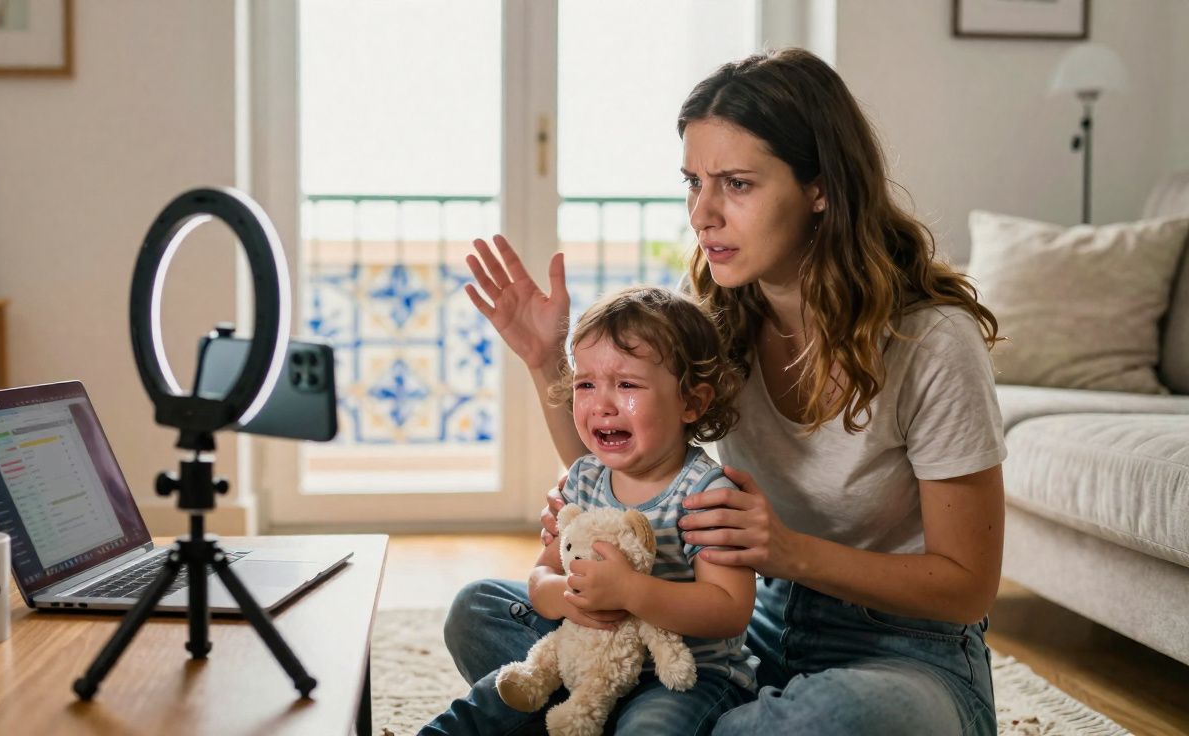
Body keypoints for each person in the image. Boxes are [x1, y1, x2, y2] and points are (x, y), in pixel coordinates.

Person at [441, 46, 1006, 736]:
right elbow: (628, 461)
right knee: (481, 611)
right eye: (693, 182)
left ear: (821, 187)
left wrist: (789, 552)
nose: (702, 213)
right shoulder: (714, 312)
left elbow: (967, 586)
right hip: (743, 632)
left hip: (900, 653)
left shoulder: (933, 342)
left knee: (830, 718)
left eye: (736, 184)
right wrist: (544, 361)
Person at [425, 286, 756, 734]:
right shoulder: (584, 477)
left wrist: (630, 592)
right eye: (586, 384)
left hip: (682, 678)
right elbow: (542, 576)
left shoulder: (705, 494)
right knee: (480, 613)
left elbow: (729, 609)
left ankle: (584, 719)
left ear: (691, 402)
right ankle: (581, 713)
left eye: (627, 385)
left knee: (651, 729)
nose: (601, 404)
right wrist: (568, 596)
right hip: (585, 660)